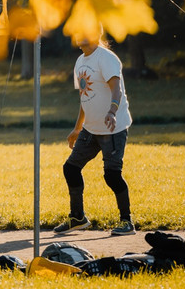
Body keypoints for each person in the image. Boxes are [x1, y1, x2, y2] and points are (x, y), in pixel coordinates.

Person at [54, 30, 135, 236]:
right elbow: (85, 97)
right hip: (90, 129)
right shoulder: (80, 61)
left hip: (112, 128)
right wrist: (77, 128)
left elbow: (117, 89)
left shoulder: (106, 58)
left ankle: (127, 222)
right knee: (71, 168)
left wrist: (112, 112)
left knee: (112, 175)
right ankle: (77, 217)